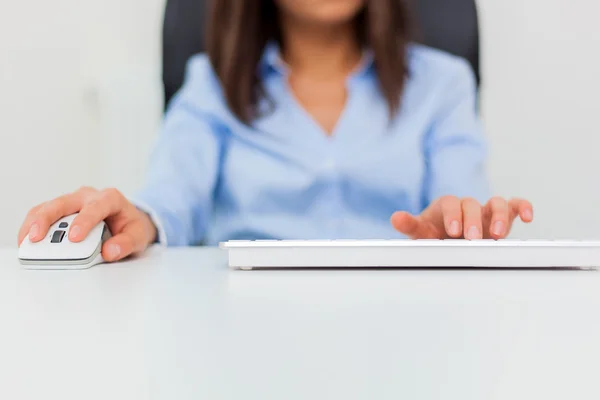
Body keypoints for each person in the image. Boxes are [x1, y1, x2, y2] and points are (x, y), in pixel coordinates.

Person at [18, 0, 533, 262]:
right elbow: (172, 198)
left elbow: (461, 197)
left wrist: (461, 223)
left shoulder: (442, 84)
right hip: (245, 328)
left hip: (404, 324)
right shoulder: (211, 87)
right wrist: (141, 219)